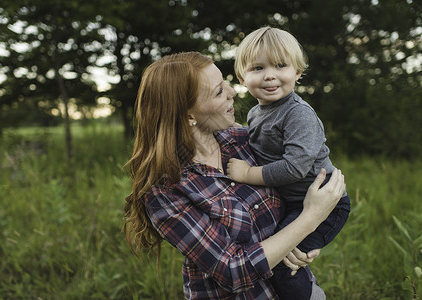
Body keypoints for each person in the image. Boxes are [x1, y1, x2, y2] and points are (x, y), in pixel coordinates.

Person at [123, 51, 346, 300]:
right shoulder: (165, 189)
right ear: (189, 115)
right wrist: (310, 219)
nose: (233, 92)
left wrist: (304, 242)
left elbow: (296, 179)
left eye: (225, 82)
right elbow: (232, 270)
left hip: (301, 290)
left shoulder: (244, 140)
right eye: (219, 91)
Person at [226, 27, 351, 300]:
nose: (269, 75)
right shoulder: (257, 112)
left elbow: (295, 167)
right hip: (294, 203)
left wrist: (248, 173)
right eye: (258, 68)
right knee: (276, 252)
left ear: (297, 72)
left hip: (326, 203)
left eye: (280, 65)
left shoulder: (299, 114)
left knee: (284, 265)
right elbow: (258, 139)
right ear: (242, 77)